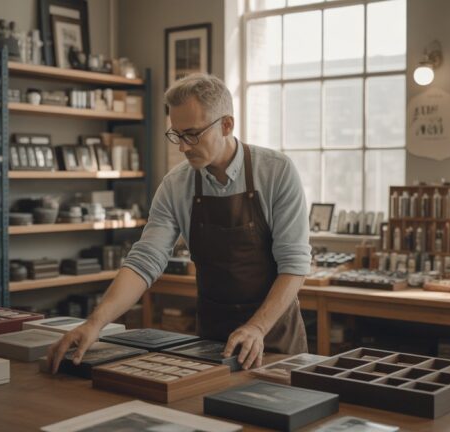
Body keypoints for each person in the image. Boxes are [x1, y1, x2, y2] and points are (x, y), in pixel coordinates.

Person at [47, 73, 311, 372]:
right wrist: (95, 324)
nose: (183, 147)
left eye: (192, 134)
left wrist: (257, 328)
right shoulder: (177, 184)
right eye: (176, 135)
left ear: (226, 125)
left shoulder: (276, 172)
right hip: (214, 339)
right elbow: (145, 261)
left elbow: (294, 265)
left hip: (275, 337)